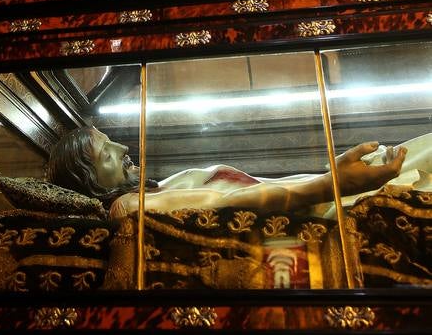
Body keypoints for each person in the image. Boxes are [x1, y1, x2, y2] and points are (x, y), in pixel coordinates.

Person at [46, 125, 432, 220]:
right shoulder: (131, 207)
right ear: (90, 181)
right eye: (106, 154)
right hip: (334, 202)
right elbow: (229, 201)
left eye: (112, 141)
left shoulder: (156, 191)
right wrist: (332, 185)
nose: (124, 148)